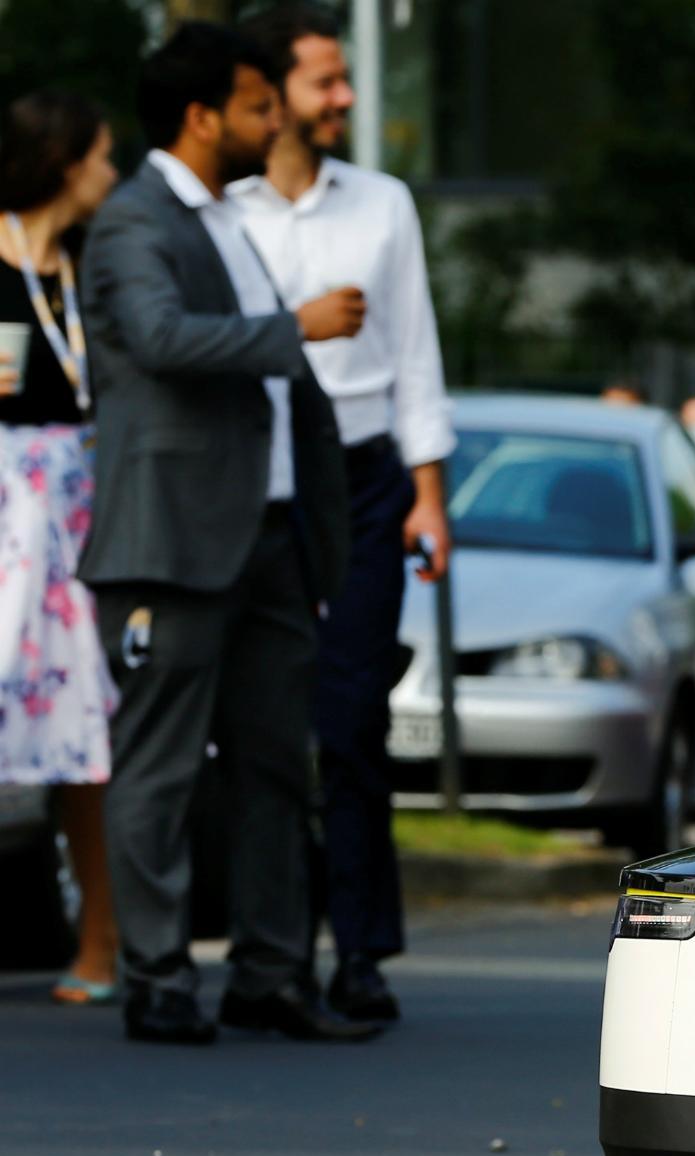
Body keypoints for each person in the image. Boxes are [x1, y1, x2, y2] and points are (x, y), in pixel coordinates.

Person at [79, 23, 375, 1045]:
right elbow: (160, 338)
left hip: (272, 536)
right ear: (202, 117)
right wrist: (295, 324)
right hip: (173, 539)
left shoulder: (219, 219)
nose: (275, 119)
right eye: (257, 104)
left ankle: (268, 974)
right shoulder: (134, 221)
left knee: (273, 766)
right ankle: (158, 979)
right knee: (160, 765)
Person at [235, 2, 454, 1023]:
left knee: (353, 717)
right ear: (268, 92)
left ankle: (360, 951)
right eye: (327, 79)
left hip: (364, 481)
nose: (346, 98)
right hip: (252, 484)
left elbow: (414, 353)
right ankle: (263, 953)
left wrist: (427, 499)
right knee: (261, 726)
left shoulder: (383, 204)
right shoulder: (219, 207)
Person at [0, 90, 121, 1005]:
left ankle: (100, 942)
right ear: (63, 160)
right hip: (6, 508)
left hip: (80, 512)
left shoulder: (90, 267)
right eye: (103, 156)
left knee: (91, 726)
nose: (112, 175)